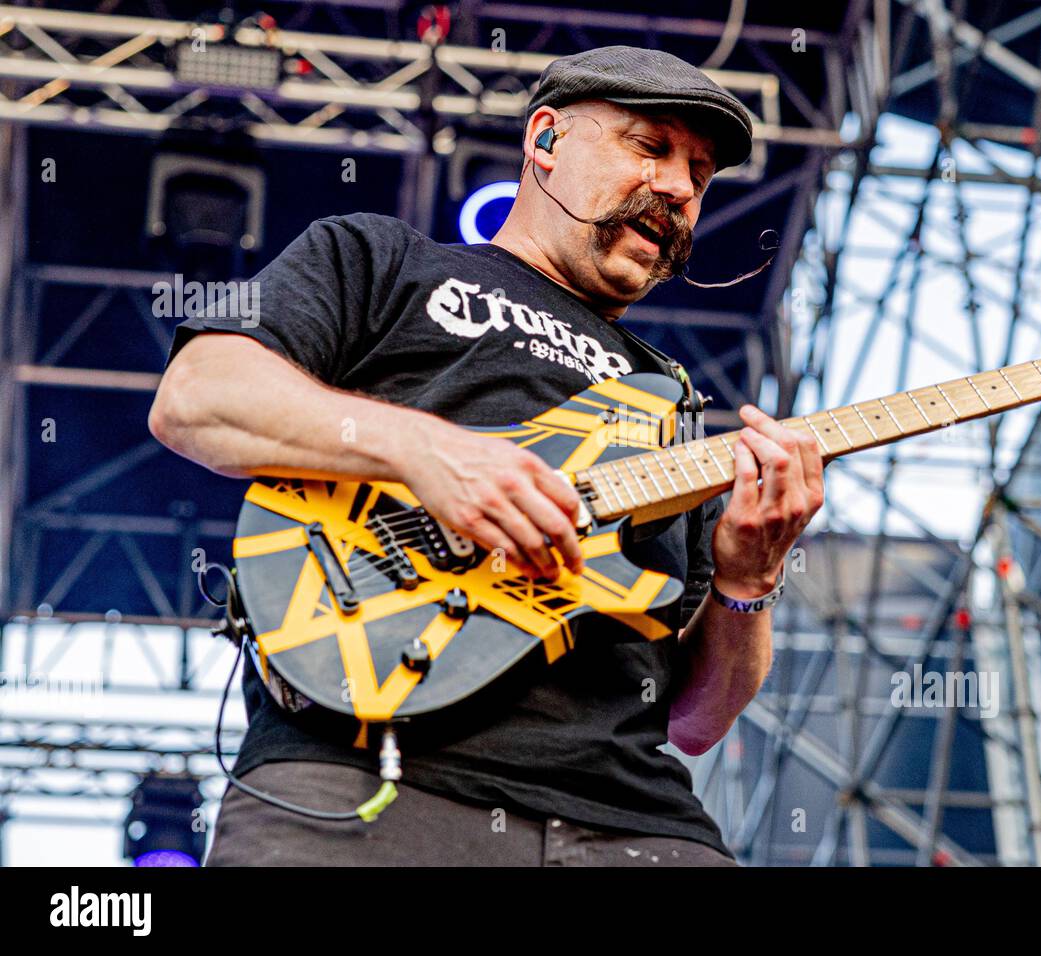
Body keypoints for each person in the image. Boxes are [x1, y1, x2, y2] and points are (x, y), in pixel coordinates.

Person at [148, 45, 824, 867]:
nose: (682, 188)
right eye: (650, 148)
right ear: (544, 142)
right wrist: (427, 451)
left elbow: (693, 720)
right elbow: (197, 396)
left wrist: (749, 584)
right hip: (360, 776)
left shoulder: (670, 402)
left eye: (700, 172)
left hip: (635, 820)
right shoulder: (380, 258)